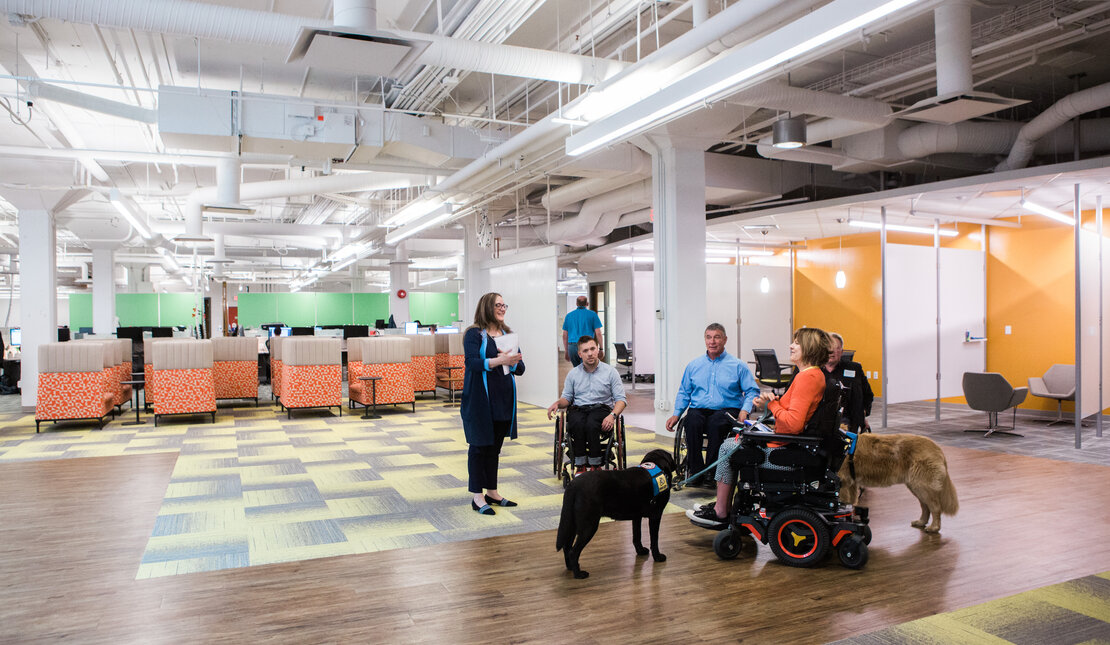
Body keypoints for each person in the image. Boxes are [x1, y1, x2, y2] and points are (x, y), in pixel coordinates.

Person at [687, 327, 833, 528]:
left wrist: (771, 405)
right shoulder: (812, 375)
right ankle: (723, 505)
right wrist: (776, 401)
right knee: (733, 441)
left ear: (809, 348)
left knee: (729, 447)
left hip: (783, 451)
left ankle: (720, 511)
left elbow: (793, 424)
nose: (791, 346)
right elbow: (794, 414)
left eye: (796, 343)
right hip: (788, 443)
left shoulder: (807, 377)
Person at [665, 323, 760, 488]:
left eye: (717, 337)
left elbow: (752, 391)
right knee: (691, 421)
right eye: (708, 337)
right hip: (699, 409)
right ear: (705, 339)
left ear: (724, 339)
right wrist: (676, 413)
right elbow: (684, 392)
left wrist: (745, 411)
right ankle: (695, 471)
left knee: (716, 424)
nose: (712, 341)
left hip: (726, 410)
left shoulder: (738, 365)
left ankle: (711, 472)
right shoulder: (694, 366)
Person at [460, 292, 525, 516]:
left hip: (504, 398)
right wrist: (501, 360)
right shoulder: (473, 334)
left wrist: (512, 361)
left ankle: (492, 492)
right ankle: (477, 497)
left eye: (504, 305)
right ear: (487, 306)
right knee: (479, 447)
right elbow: (472, 363)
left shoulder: (508, 333)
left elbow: (521, 367)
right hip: (480, 400)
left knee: (495, 448)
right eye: (498, 305)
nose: (502, 308)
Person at [547, 336, 627, 474]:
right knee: (577, 423)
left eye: (592, 349)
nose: (589, 353)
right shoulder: (573, 374)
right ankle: (580, 465)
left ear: (598, 350)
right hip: (579, 409)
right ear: (580, 354)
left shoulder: (610, 372)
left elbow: (621, 400)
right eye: (585, 350)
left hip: (601, 409)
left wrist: (612, 416)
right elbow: (567, 398)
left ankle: (596, 465)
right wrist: (558, 403)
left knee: (591, 423)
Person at [825, 332, 873, 433]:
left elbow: (868, 394)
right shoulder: (813, 370)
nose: (831, 351)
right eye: (828, 347)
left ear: (841, 352)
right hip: (821, 419)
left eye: (836, 348)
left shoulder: (854, 369)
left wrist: (862, 414)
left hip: (847, 418)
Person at [562, 296, 603, 367]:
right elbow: (598, 333)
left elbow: (565, 335)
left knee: (577, 370)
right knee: (587, 369)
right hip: (586, 346)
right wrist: (601, 349)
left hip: (572, 346)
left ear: (576, 304)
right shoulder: (592, 314)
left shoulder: (569, 316)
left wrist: (566, 350)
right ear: (587, 304)